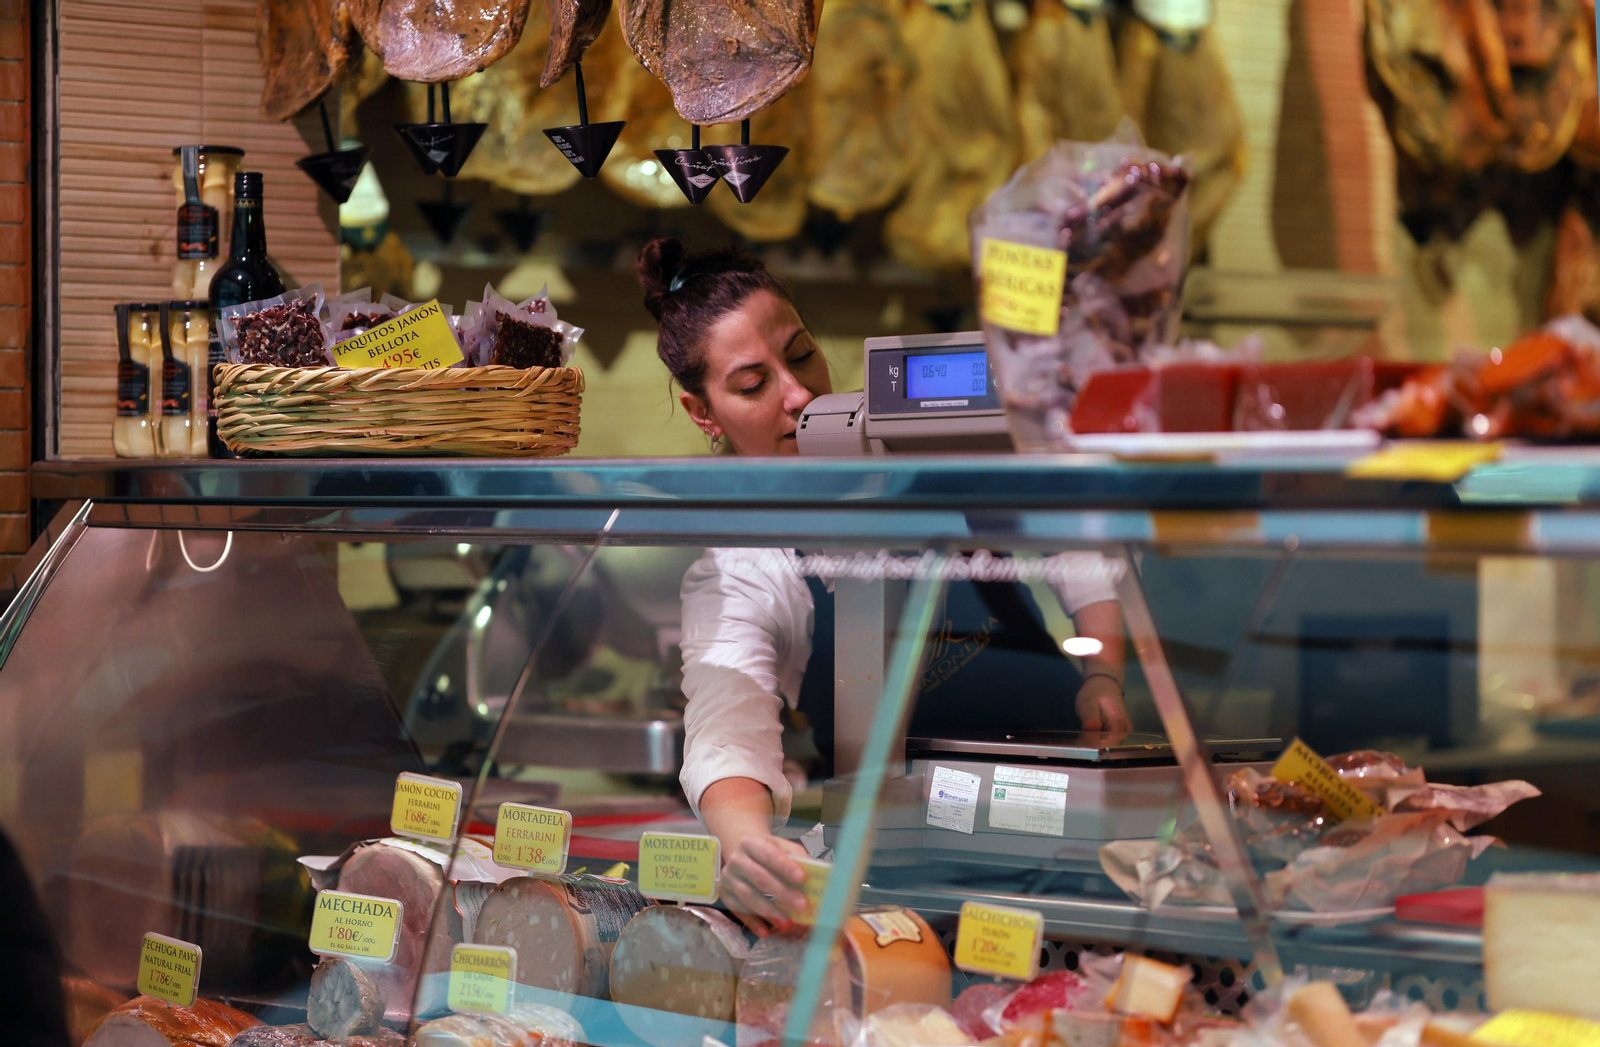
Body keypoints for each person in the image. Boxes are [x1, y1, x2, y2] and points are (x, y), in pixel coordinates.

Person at [638, 238, 1131, 935]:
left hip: (1079, 829)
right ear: (703, 412)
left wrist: (1102, 669)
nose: (799, 393)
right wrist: (747, 843)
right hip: (921, 890)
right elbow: (727, 732)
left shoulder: (916, 448)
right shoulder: (749, 562)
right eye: (753, 384)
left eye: (801, 353)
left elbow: (1071, 534)